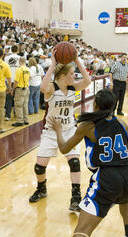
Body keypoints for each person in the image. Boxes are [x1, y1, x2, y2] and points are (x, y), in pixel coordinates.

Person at [51, 89, 128, 237]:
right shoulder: (122, 123)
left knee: (81, 233)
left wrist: (58, 131)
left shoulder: (88, 126)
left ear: (95, 105)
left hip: (107, 179)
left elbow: (64, 148)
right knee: (125, 198)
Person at [29, 48, 91, 212]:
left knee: (75, 163)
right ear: (63, 76)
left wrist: (77, 61)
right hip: (50, 131)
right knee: (39, 167)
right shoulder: (51, 88)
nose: (74, 76)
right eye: (72, 73)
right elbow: (42, 86)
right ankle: (41, 189)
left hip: (69, 130)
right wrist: (53, 64)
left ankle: (76, 198)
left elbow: (88, 81)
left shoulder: (73, 88)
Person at [12, 57, 30, 126]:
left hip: (20, 89)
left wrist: (13, 89)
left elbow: (16, 81)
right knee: (25, 105)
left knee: (18, 105)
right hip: (26, 88)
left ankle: (20, 121)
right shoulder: (28, 69)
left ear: (19, 62)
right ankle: (26, 120)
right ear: (25, 62)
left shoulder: (19, 70)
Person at [4, 44, 20, 121]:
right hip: (17, 80)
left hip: (8, 80)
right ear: (17, 50)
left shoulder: (6, 58)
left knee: (8, 99)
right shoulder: (20, 58)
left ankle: (7, 115)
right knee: (17, 98)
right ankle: (16, 113)